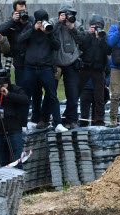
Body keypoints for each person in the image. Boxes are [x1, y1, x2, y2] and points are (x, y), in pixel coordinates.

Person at [44, 2, 86, 130]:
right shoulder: (53, 22)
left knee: (73, 94)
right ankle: (44, 118)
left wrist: (71, 27)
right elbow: (49, 34)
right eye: (65, 14)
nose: (68, 16)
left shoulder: (76, 24)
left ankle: (72, 119)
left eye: (71, 14)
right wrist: (59, 23)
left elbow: (82, 41)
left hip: (71, 62)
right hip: (56, 63)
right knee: (50, 93)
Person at [17, 9, 61, 132]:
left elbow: (57, 45)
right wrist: (33, 29)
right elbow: (20, 39)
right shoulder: (30, 28)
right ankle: (23, 124)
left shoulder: (50, 29)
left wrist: (48, 33)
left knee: (52, 95)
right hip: (30, 68)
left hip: (46, 68)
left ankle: (57, 123)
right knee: (26, 96)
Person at [0, 0, 36, 119]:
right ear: (15, 11)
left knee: (34, 89)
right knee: (21, 89)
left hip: (31, 60)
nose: (23, 12)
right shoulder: (12, 23)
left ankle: (34, 116)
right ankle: (21, 117)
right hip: (18, 60)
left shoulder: (31, 20)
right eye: (20, 10)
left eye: (24, 9)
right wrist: (13, 20)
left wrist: (26, 22)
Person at [78, 13, 111, 127]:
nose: (97, 28)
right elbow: (81, 47)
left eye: (99, 25)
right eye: (95, 25)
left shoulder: (104, 37)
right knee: (77, 94)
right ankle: (78, 120)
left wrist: (101, 39)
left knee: (99, 98)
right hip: (85, 68)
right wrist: (89, 34)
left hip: (98, 69)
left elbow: (108, 51)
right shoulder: (86, 35)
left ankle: (99, 122)